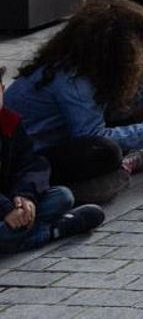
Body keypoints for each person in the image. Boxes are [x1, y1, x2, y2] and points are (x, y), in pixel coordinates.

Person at [5, 0, 143, 204]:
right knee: (105, 151)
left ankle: (122, 165)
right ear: (120, 50)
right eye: (142, 51)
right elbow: (92, 135)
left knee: (112, 145)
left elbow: (113, 114)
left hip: (57, 142)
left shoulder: (90, 69)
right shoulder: (72, 78)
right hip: (27, 159)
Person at [0, 76, 105, 253]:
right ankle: (51, 231)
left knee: (62, 196)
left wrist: (25, 197)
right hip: (4, 208)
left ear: (2, 89)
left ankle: (20, 233)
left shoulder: (8, 122)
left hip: (11, 200)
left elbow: (31, 163)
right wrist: (7, 210)